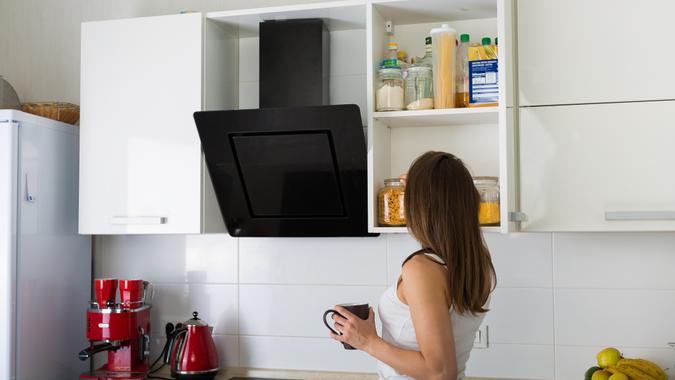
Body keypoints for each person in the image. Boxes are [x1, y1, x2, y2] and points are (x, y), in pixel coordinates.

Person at [329, 151, 496, 380]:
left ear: (421, 206)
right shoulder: (476, 263)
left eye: (409, 196)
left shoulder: (421, 269)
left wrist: (367, 341)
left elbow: (439, 372)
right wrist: (424, 183)